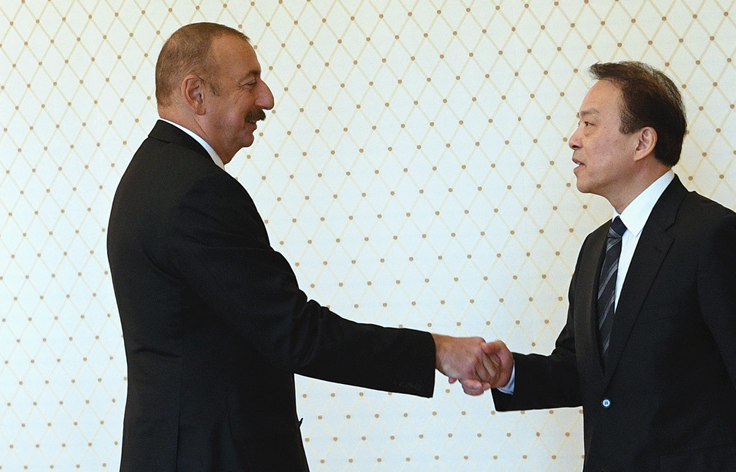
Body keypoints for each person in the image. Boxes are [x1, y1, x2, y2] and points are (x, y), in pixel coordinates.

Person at [106, 22, 500, 472]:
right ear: (196, 94)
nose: (267, 99)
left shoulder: (149, 176)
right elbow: (295, 333)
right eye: (250, 83)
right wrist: (436, 351)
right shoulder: (198, 191)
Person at [460, 61, 736, 471]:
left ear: (643, 141)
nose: (573, 139)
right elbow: (583, 372)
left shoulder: (714, 236)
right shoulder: (595, 248)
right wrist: (510, 374)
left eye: (589, 124)